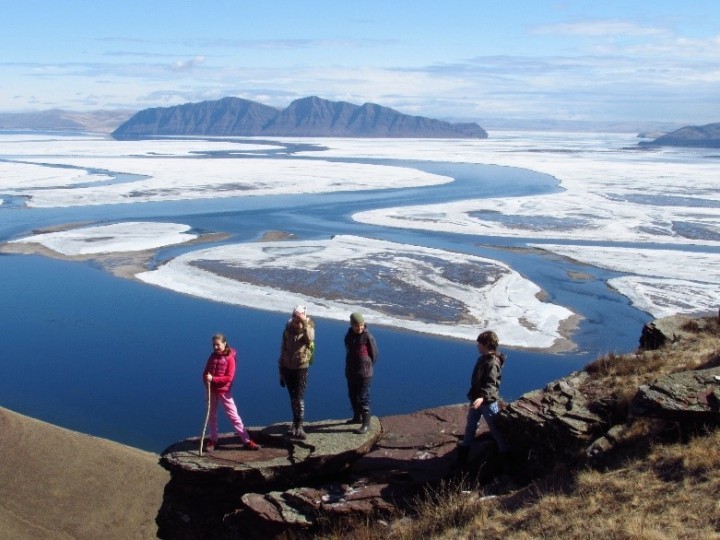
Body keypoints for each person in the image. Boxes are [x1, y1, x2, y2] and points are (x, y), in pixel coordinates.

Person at [457, 330, 511, 469]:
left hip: (487, 402)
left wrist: (482, 397)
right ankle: (463, 455)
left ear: (486, 344)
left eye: (479, 344)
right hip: (477, 399)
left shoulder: (492, 363)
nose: (477, 346)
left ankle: (506, 457)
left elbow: (491, 385)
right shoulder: (483, 359)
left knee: (495, 429)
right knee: (470, 426)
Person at [202, 333, 260, 451]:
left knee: (233, 415)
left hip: (224, 391)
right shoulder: (212, 357)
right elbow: (205, 373)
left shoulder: (230, 358)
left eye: (218, 345)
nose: (215, 347)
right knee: (212, 416)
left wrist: (213, 379)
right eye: (213, 345)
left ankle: (246, 440)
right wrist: (206, 383)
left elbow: (229, 377)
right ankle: (213, 440)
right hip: (211, 391)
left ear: (224, 343)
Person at [279, 305, 315, 439]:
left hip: (301, 368)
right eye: (294, 316)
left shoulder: (308, 329)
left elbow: (310, 338)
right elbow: (283, 350)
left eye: (298, 317)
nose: (296, 320)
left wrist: (304, 322)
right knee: (292, 398)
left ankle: (300, 426)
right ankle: (294, 424)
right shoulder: (287, 331)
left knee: (298, 398)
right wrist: (280, 371)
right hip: (287, 368)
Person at [344, 312, 379, 434]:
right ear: (352, 325)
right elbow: (348, 351)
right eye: (356, 326)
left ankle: (366, 424)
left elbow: (374, 354)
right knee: (352, 395)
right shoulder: (349, 336)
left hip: (364, 374)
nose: (359, 328)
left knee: (363, 397)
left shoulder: (367, 336)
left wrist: (367, 365)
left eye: (361, 325)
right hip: (351, 372)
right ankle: (356, 417)